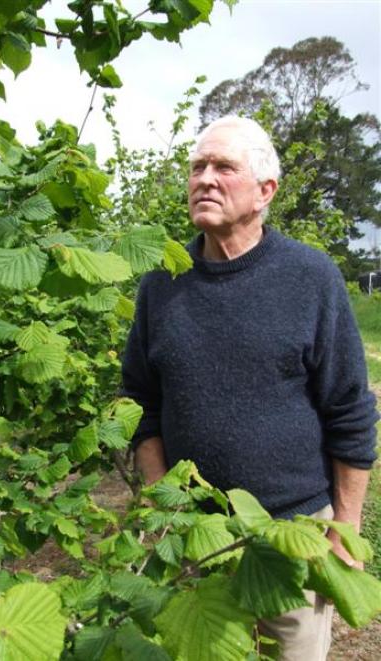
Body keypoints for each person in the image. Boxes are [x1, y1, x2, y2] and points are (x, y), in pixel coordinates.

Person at [121, 116, 379, 660]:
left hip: (292, 534)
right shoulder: (162, 283)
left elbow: (350, 410)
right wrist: (160, 507)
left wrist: (345, 526)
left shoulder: (310, 278)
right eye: (197, 167)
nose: (204, 179)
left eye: (223, 167)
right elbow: (140, 404)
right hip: (193, 534)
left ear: (266, 192)